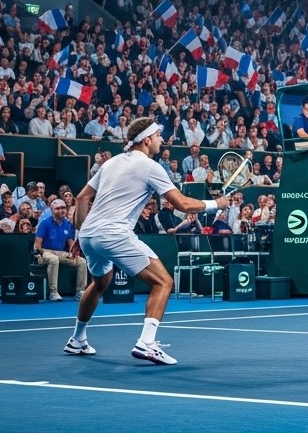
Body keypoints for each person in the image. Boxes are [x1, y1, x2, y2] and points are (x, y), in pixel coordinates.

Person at [65, 115, 233, 364]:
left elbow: (81, 199)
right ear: (145, 141)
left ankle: (77, 340)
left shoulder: (110, 164)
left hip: (90, 234)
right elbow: (182, 204)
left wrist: (83, 233)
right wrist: (215, 204)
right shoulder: (151, 167)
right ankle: (146, 343)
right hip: (114, 233)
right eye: (157, 137)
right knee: (164, 282)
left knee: (100, 283)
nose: (161, 140)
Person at [33, 198, 88, 301]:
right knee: (54, 259)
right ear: (52, 210)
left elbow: (71, 244)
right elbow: (37, 245)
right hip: (45, 252)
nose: (61, 211)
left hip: (61, 253)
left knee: (82, 261)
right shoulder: (45, 223)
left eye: (63, 208)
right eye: (57, 209)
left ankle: (80, 291)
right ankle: (53, 292)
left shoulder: (68, 224)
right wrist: (39, 255)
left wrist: (73, 254)